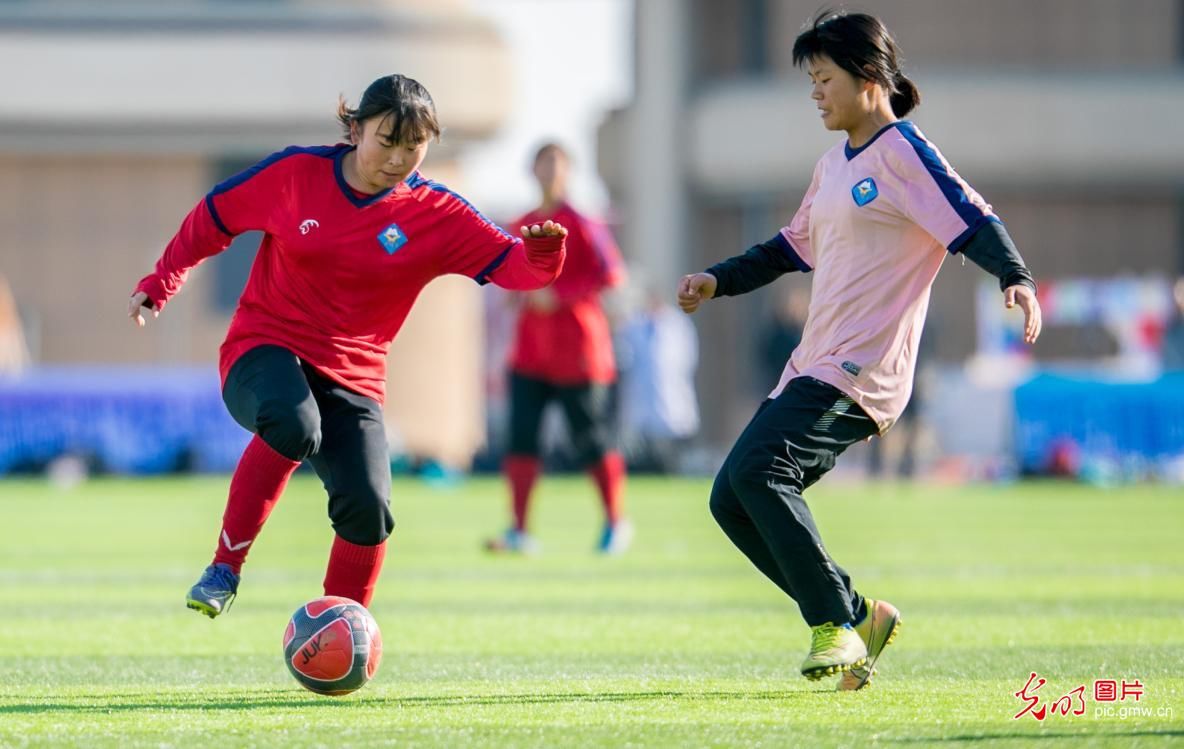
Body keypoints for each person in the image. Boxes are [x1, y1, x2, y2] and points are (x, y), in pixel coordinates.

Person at [676, 11, 1041, 690]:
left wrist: (1015, 276)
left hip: (862, 369)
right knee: (730, 497)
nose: (815, 93)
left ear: (869, 78)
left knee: (761, 471)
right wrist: (718, 279)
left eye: (824, 78)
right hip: (813, 362)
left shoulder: (905, 154)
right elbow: (791, 246)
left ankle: (833, 628)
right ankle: (857, 614)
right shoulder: (832, 165)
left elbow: (972, 217)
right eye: (811, 80)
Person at [128, 74, 567, 618]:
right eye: (387, 141)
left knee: (369, 509)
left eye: (414, 147)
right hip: (262, 351)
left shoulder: (436, 213)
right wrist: (161, 281)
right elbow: (214, 216)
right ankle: (225, 567)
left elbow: (514, 267)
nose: (398, 158)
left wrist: (545, 254)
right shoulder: (296, 175)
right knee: (294, 423)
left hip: (353, 379)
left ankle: (339, 630)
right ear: (355, 129)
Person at [486, 143, 631, 554]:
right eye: (543, 163)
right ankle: (518, 529)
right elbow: (508, 273)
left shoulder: (584, 222)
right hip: (531, 351)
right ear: (531, 169)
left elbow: (613, 275)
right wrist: (515, 291)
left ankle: (615, 522)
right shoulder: (523, 222)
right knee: (521, 440)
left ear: (569, 171)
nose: (549, 171)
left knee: (590, 439)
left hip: (579, 352)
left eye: (557, 163)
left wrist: (561, 294)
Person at [618, 289, 700, 473]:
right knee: (641, 443)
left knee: (670, 442)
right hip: (640, 394)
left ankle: (669, 467)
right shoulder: (633, 324)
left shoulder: (677, 324)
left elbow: (688, 360)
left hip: (671, 393)